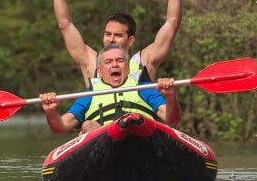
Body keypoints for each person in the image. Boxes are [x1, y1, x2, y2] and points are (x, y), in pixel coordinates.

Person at [53, 0, 182, 86]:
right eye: (108, 34)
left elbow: (172, 22)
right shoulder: (91, 63)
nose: (111, 39)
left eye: (118, 35)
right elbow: (65, 24)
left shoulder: (145, 61)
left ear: (130, 40)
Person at [40, 44, 180, 134]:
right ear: (100, 71)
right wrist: (50, 111)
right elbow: (62, 126)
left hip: (141, 136)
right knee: (88, 125)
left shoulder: (143, 87)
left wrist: (170, 97)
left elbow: (172, 119)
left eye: (120, 61)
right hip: (102, 143)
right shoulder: (91, 94)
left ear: (128, 67)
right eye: (108, 62)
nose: (115, 65)